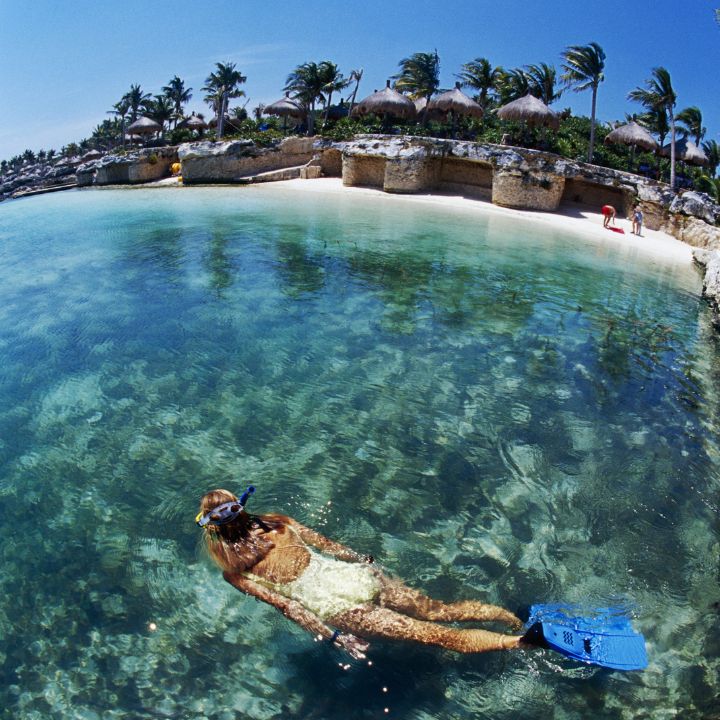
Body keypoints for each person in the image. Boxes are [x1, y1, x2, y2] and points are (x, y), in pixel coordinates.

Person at [197, 487, 532, 659]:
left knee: (438, 636)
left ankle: (520, 643)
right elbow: (328, 545)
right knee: (440, 610)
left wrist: (333, 636)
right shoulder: (278, 522)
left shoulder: (235, 572)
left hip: (340, 608)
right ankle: (513, 619)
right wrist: (366, 563)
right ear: (241, 505)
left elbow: (290, 607)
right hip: (356, 576)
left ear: (211, 527)